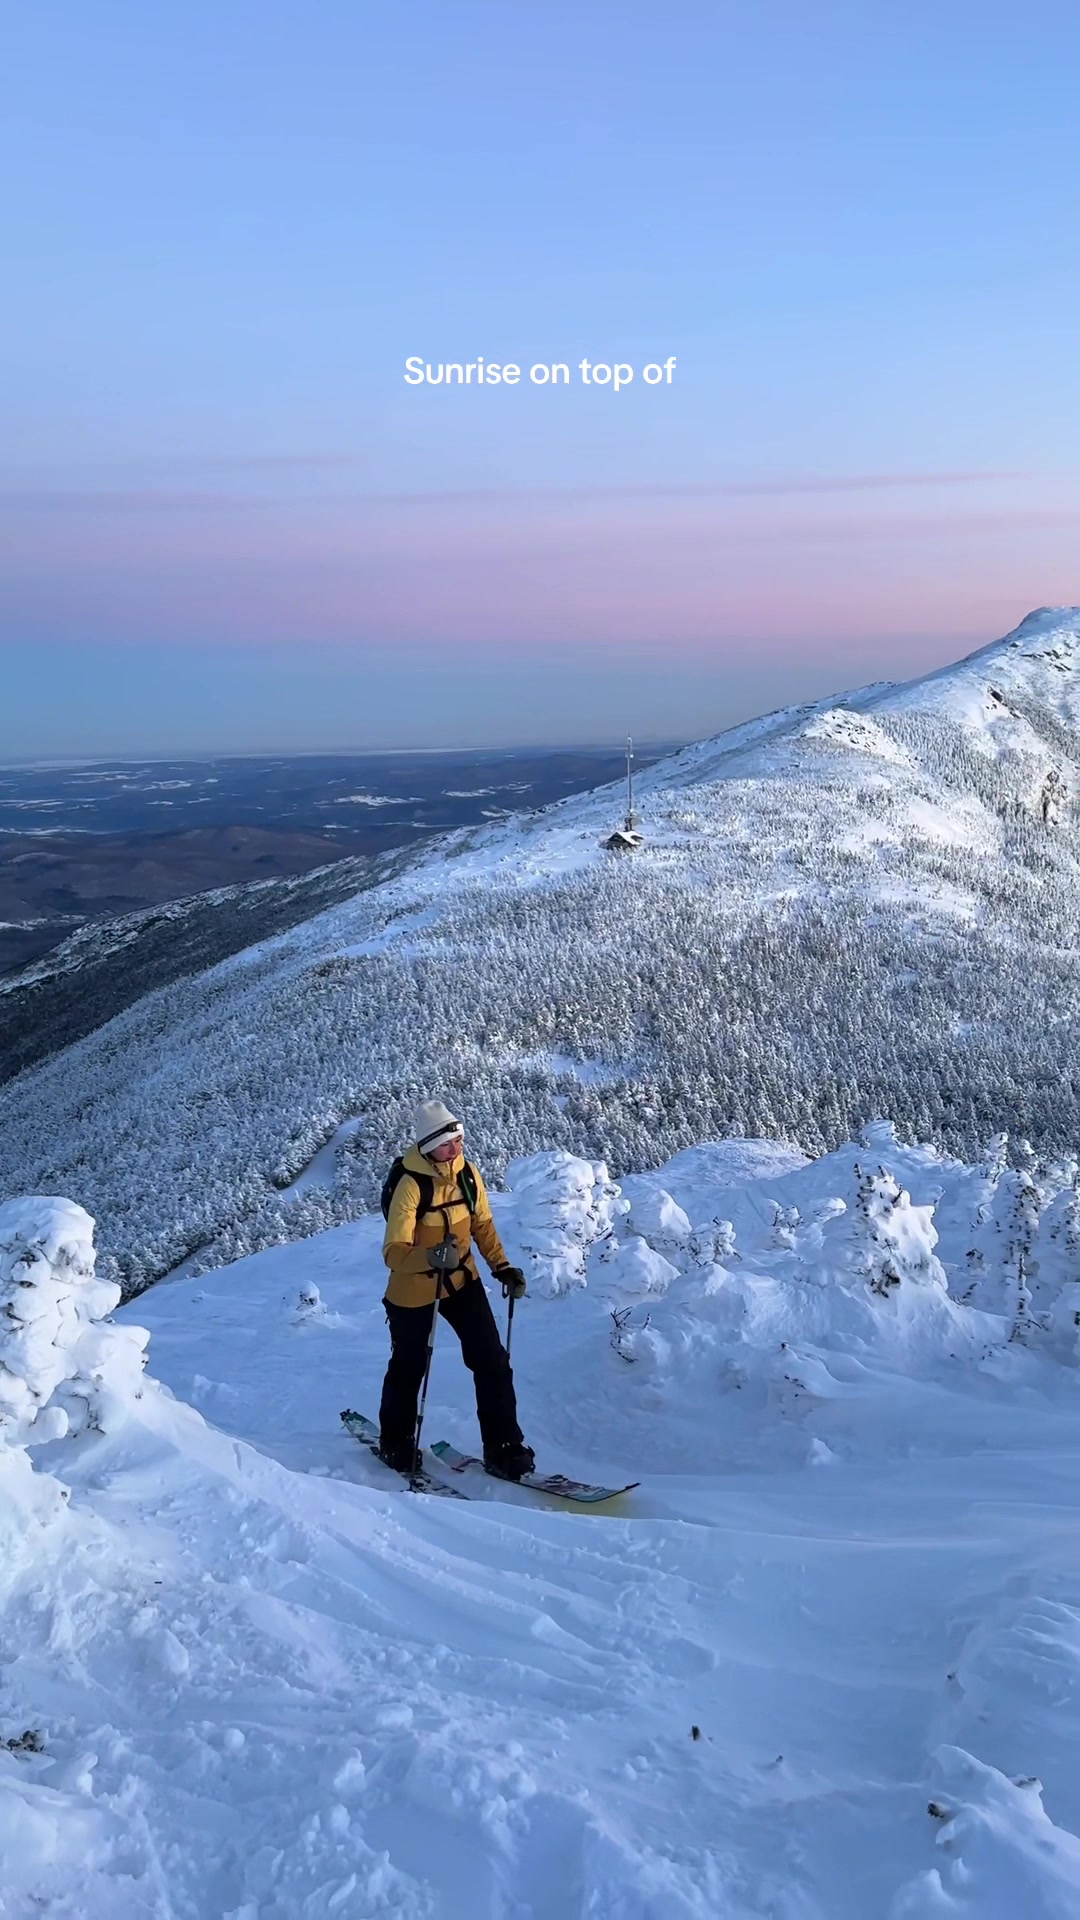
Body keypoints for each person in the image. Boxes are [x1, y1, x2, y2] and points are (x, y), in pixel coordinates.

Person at [378, 1099, 535, 1479]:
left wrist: (502, 1267)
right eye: (448, 1143)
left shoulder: (468, 1174)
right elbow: (393, 1253)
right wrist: (430, 1257)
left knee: (492, 1362)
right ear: (429, 1146)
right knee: (409, 1367)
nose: (457, 1147)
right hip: (414, 1290)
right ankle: (395, 1442)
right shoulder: (411, 1185)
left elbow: (482, 1225)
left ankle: (503, 1447)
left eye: (459, 1139)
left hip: (463, 1281)